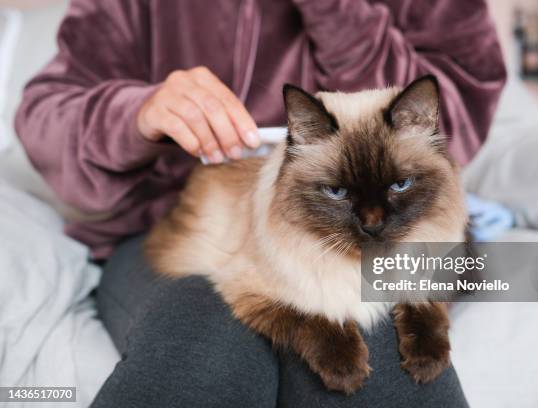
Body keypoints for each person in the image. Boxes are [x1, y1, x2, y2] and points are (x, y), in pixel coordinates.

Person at [15, 0, 506, 406]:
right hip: (170, 225)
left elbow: (449, 128)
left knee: (377, 338)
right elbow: (43, 118)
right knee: (207, 328)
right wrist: (135, 113)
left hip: (357, 235)